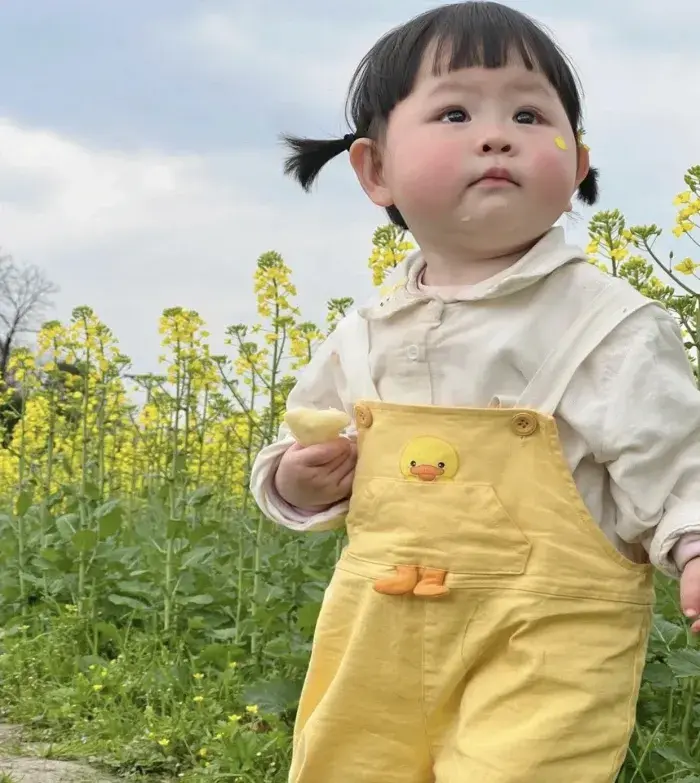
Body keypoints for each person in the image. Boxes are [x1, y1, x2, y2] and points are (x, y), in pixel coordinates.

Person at [250, 2, 700, 781]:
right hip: (376, 633)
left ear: (580, 161)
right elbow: (300, 450)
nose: (497, 134)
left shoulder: (609, 324)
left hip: (548, 642)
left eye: (530, 114)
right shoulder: (362, 332)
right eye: (454, 111)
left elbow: (677, 456)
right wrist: (295, 477)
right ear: (375, 169)